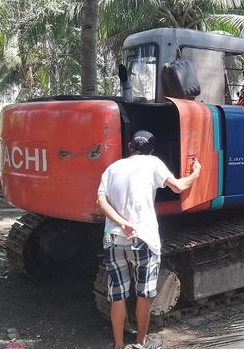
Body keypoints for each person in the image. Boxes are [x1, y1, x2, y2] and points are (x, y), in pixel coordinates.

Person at [97, 130, 201, 349]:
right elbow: (179, 186)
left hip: (114, 239)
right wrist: (196, 174)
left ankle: (117, 345)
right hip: (143, 238)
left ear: (129, 146)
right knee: (144, 294)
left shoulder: (111, 169)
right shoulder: (153, 162)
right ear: (152, 150)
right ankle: (140, 343)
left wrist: (122, 223)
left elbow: (101, 203)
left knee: (118, 294)